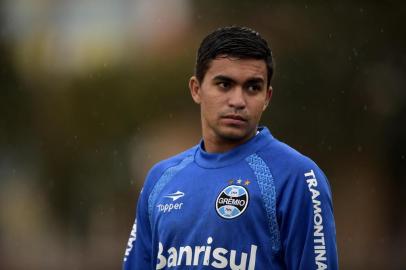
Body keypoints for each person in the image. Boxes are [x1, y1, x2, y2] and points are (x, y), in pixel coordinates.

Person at [123, 26, 338, 270]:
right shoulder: (161, 179)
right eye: (224, 85)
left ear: (267, 97)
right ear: (196, 89)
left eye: (252, 87)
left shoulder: (298, 178)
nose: (238, 101)